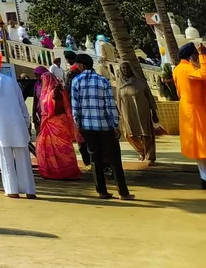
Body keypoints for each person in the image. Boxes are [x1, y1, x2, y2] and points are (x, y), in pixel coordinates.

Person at [68, 52, 131, 199]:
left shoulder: (76, 81)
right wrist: (115, 124)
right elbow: (110, 104)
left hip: (87, 127)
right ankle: (123, 192)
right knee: (114, 158)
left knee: (94, 158)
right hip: (105, 125)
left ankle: (101, 191)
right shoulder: (103, 81)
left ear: (82, 65)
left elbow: (75, 106)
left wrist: (78, 124)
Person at [0, 50, 36, 198]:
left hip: (1, 125)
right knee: (23, 157)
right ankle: (29, 190)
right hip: (18, 123)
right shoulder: (11, 80)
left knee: (5, 158)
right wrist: (26, 120)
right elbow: (21, 103)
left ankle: (12, 190)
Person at [33, 66, 80, 180]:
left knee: (55, 147)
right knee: (61, 147)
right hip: (60, 122)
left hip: (55, 122)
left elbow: (52, 103)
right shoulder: (58, 91)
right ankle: (63, 171)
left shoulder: (53, 93)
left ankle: (57, 171)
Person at [172, 41, 206, 188]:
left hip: (193, 109)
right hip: (194, 111)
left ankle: (204, 177)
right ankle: (204, 178)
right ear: (192, 56)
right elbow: (204, 74)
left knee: (200, 146)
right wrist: (203, 55)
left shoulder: (181, 68)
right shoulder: (185, 70)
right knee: (200, 146)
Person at [115, 60, 156, 165]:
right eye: (123, 68)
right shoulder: (120, 85)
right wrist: (119, 115)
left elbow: (149, 96)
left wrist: (154, 112)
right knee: (129, 135)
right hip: (127, 113)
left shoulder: (140, 81)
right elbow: (118, 101)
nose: (126, 70)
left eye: (127, 68)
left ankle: (150, 157)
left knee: (146, 134)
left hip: (143, 111)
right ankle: (141, 151)